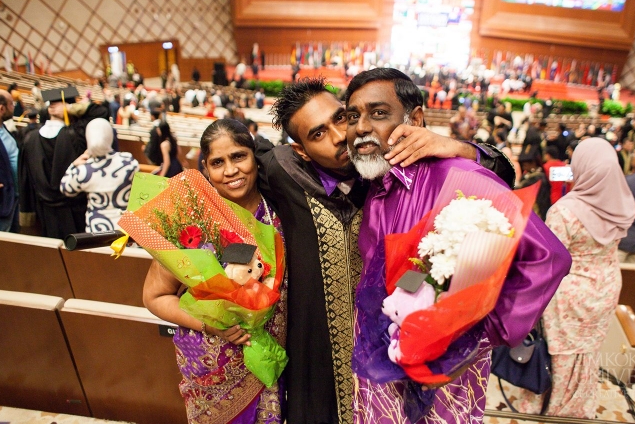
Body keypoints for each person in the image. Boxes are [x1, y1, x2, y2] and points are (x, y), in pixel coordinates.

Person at [343, 68, 572, 424]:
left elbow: (548, 256)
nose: (360, 127)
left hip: (445, 372)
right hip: (380, 363)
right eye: (352, 116)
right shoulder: (375, 183)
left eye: (378, 113)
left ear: (415, 119)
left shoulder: (456, 175)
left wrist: (481, 330)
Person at [262, 76, 487, 424]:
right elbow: (234, 172)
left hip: (394, 358)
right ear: (301, 151)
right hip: (318, 358)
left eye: (341, 118)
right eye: (318, 134)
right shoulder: (284, 172)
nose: (340, 137)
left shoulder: (394, 172)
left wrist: (462, 147)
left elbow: (500, 173)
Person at [143, 119, 286, 424]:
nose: (231, 170)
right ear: (205, 169)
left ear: (254, 157)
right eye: (218, 162)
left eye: (238, 157)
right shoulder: (191, 221)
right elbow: (155, 296)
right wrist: (212, 326)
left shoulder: (283, 210)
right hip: (212, 368)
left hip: (275, 359)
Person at [514, 137, 635, 418]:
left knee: (558, 353)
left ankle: (549, 405)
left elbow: (551, 260)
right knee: (587, 352)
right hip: (606, 286)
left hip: (570, 293)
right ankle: (577, 404)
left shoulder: (566, 211)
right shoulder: (623, 204)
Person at [19, 87, 89, 239]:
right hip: (77, 211)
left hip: (45, 213)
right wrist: (72, 108)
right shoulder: (77, 136)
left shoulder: (29, 139)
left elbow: (25, 179)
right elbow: (101, 113)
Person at [60, 118, 139, 232]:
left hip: (97, 230)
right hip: (126, 228)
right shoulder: (128, 162)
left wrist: (73, 165)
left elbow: (65, 189)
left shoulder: (83, 170)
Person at [0, 88, 19, 232]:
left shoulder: (3, 128)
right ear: (1, 108)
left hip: (10, 202)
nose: (14, 107)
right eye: (11, 104)